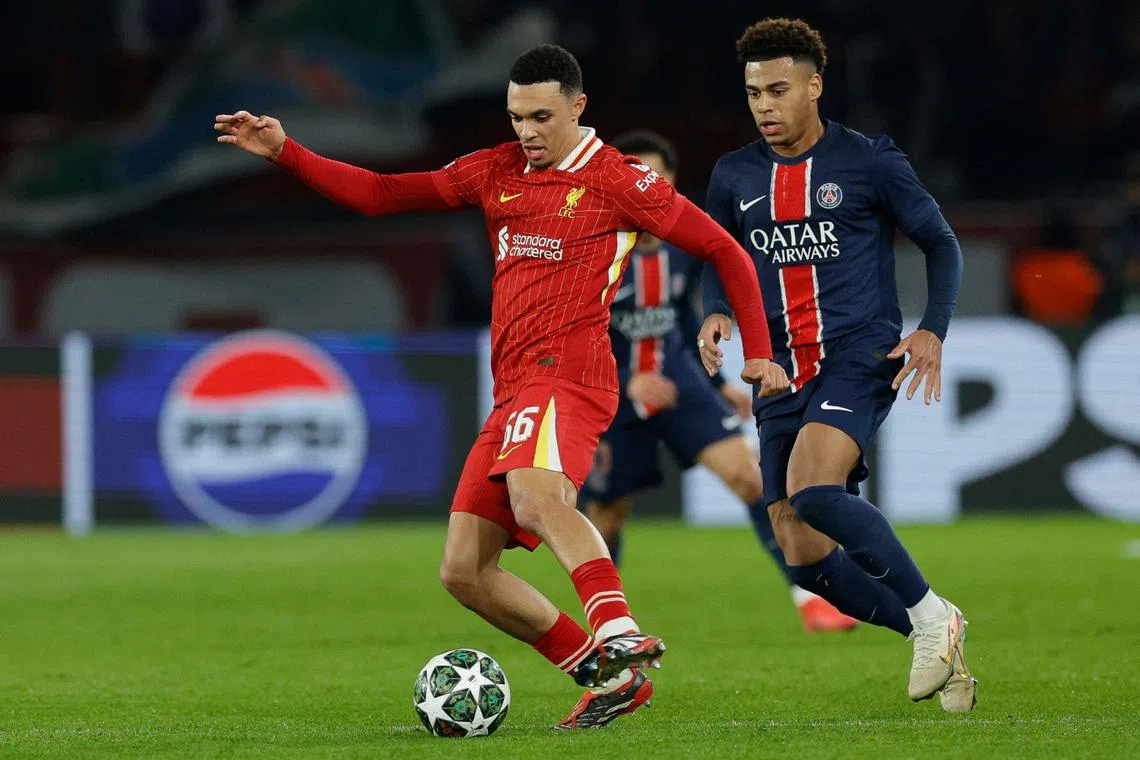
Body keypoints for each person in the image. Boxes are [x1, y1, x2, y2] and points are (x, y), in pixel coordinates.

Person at [215, 44, 789, 729]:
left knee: (537, 494)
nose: (528, 132)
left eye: (542, 116)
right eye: (517, 116)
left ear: (578, 108)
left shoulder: (619, 180)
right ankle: (602, 674)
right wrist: (287, 152)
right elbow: (380, 194)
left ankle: (615, 629)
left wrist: (758, 351)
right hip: (515, 388)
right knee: (464, 571)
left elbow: (724, 247)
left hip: (570, 377)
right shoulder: (496, 171)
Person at [698, 19, 977, 712]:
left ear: (814, 87)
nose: (764, 104)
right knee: (803, 554)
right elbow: (720, 256)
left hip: (856, 355)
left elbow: (941, 244)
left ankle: (931, 616)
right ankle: (933, 627)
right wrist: (716, 311)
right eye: (753, 92)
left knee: (817, 491)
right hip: (778, 370)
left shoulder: (869, 161)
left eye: (779, 89)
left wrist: (932, 331)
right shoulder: (733, 174)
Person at [582, 129, 856, 634]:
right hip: (610, 395)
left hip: (681, 383)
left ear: (670, 182)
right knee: (608, 515)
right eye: (634, 174)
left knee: (751, 478)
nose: (644, 185)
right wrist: (628, 379)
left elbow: (682, 317)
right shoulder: (592, 250)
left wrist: (717, 385)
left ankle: (811, 597)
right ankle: (607, 631)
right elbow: (572, 337)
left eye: (655, 176)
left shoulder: (682, 244)